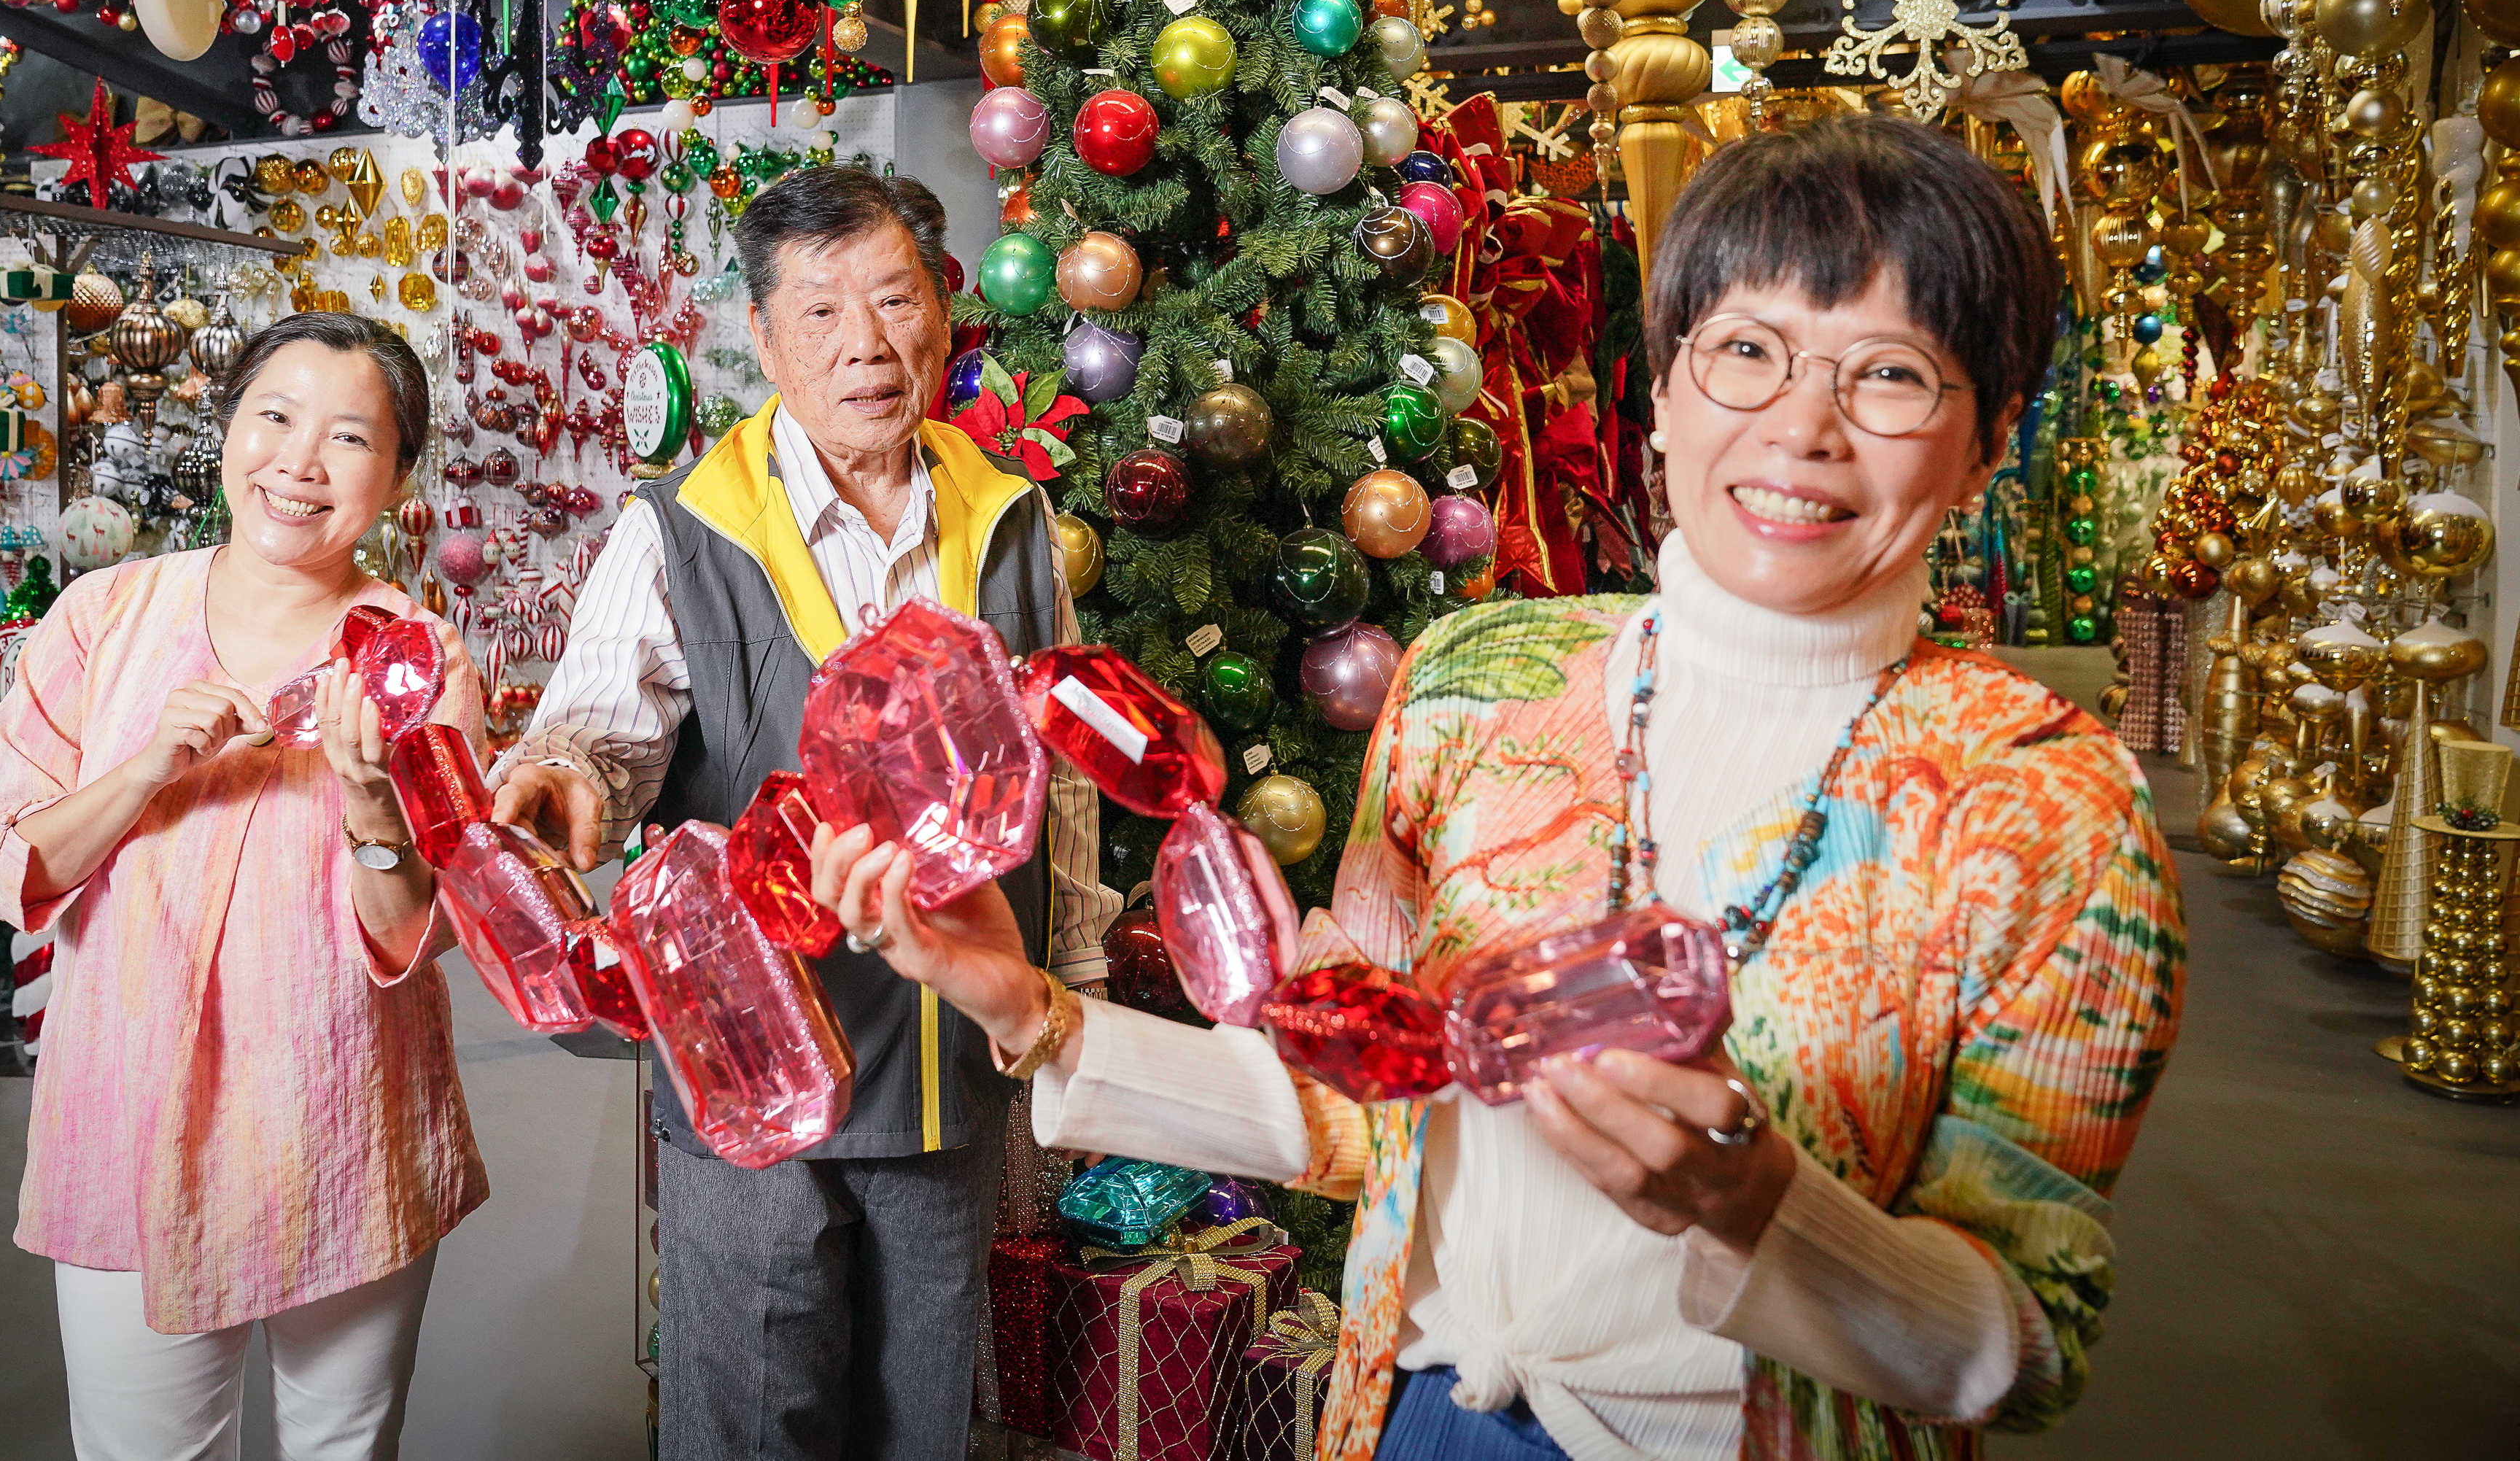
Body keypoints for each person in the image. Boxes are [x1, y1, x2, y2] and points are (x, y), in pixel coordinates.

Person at [812, 117, 2190, 1461]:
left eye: (1889, 374)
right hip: (1424, 1416)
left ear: (1992, 435)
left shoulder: (2048, 804)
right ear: (1665, 387)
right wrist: (1031, 1011)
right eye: (1749, 352)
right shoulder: (1477, 681)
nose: (1802, 427)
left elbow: (2029, 1337)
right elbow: (1359, 1111)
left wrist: (1768, 1211)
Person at [489, 165, 1117, 1460]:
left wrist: (1071, 981)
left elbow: (1061, 778)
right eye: (821, 314)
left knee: (925, 1414)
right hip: (750, 1051)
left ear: (942, 315)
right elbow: (602, 726)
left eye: (894, 299)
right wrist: (563, 774)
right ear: (765, 340)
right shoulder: (679, 528)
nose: (867, 344)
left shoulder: (1013, 522)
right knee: (749, 1411)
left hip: (949, 1060)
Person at [0, 312, 485, 1461]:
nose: (299, 463)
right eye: (275, 417)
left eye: (349, 437)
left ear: (397, 475)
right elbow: (7, 857)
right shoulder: (106, 616)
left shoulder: (417, 661)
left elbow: (425, 929)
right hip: (124, 1121)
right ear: (228, 430)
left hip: (342, 1120)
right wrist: (146, 767)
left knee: (344, 1445)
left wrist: (368, 804)